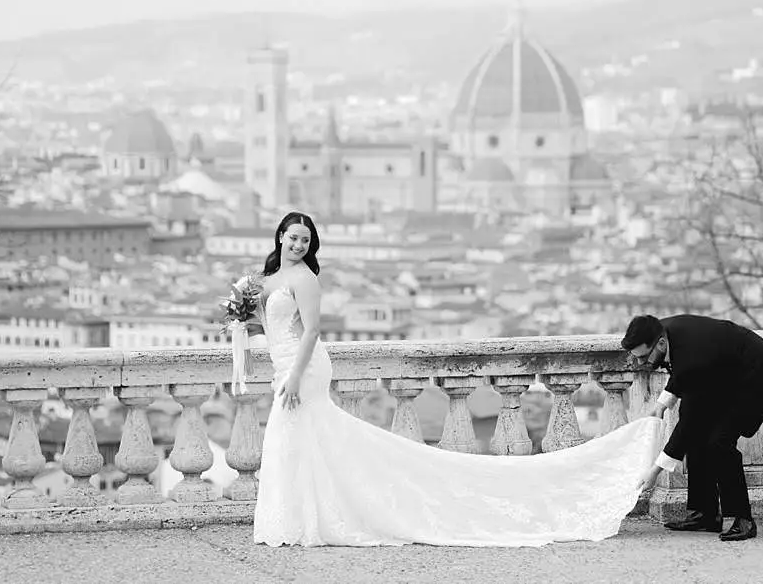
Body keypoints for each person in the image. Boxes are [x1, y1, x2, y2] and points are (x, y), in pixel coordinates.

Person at [251, 210, 666, 548]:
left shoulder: (305, 279)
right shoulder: (271, 278)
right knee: (298, 438)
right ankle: (297, 516)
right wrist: (240, 324)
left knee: (297, 432)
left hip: (301, 370)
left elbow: (311, 331)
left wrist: (293, 376)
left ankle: (302, 518)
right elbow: (272, 325)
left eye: (305, 240)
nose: (298, 244)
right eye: (293, 237)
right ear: (280, 236)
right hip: (285, 365)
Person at [620, 313, 763, 542]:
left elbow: (687, 425)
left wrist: (655, 471)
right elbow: (681, 372)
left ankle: (743, 519)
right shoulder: (661, 330)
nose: (640, 363)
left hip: (756, 376)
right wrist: (661, 406)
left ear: (660, 343)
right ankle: (705, 514)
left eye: (644, 357)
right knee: (697, 434)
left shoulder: (693, 358)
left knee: (720, 442)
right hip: (722, 373)